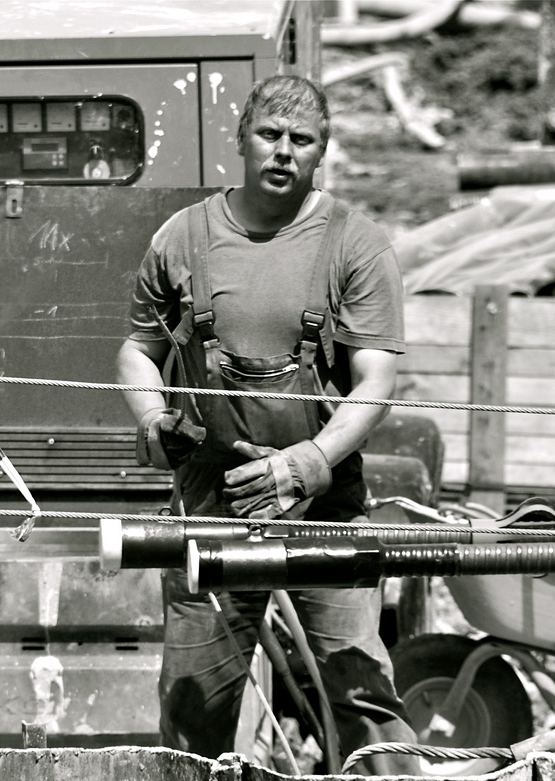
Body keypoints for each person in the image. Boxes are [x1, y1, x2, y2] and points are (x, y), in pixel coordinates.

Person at [116, 74, 421, 775]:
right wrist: (152, 413)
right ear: (242, 140)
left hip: (323, 515)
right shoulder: (182, 238)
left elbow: (375, 381)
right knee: (193, 717)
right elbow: (139, 352)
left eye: (302, 140)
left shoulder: (355, 242)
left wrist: (307, 462)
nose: (284, 152)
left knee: (366, 705)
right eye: (270, 135)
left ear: (322, 153)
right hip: (211, 512)